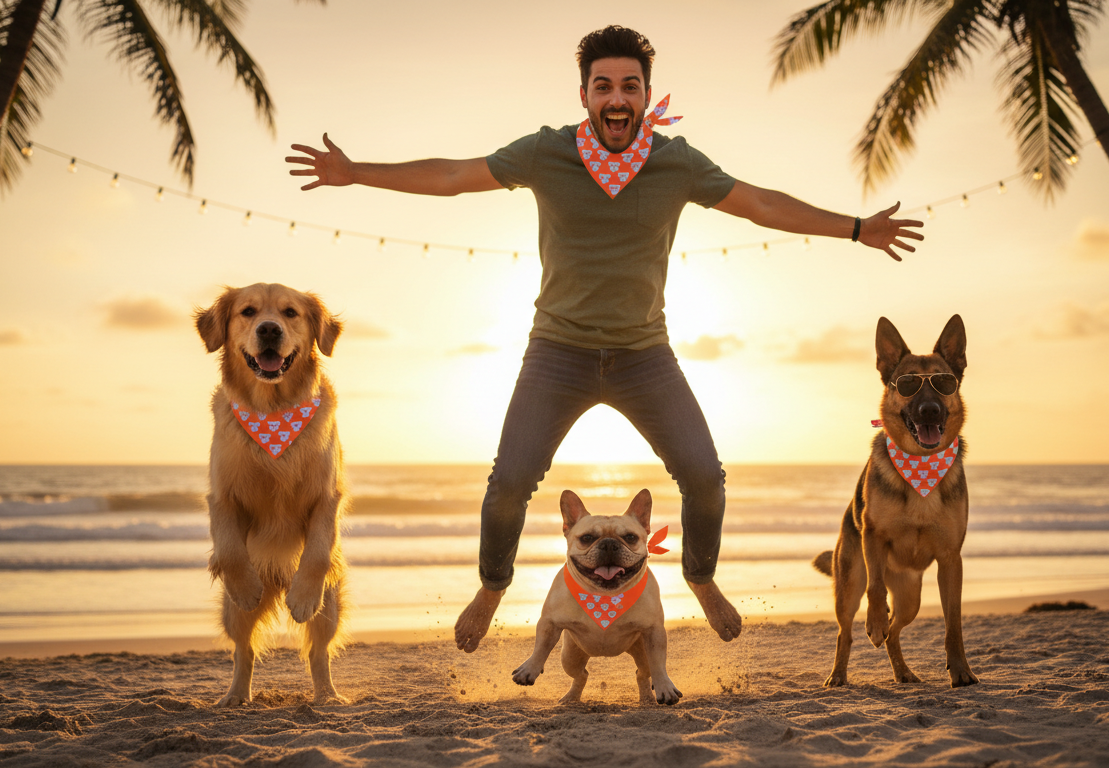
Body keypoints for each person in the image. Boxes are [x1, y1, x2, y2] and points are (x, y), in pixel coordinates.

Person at [287, 25, 924, 653]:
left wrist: (856, 227)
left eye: (629, 86)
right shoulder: (546, 153)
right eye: (603, 86)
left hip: (644, 357)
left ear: (646, 94)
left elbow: (761, 204)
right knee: (507, 485)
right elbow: (454, 174)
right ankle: (491, 587)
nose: (616, 98)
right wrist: (355, 172)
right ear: (584, 95)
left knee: (706, 478)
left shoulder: (676, 163)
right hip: (556, 354)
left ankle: (700, 578)